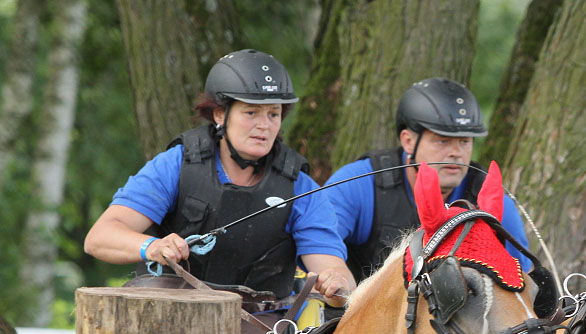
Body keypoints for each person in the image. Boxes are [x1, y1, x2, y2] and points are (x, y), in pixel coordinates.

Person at [84, 49, 355, 305]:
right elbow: (100, 238)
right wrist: (152, 247)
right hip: (168, 318)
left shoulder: (301, 186)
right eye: (251, 113)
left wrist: (336, 282)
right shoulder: (175, 165)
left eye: (274, 114)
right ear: (220, 114)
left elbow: (333, 270)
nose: (265, 125)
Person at [323, 77, 532, 282]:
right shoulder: (358, 183)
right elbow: (317, 247)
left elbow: (522, 275)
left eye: (464, 141)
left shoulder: (488, 196)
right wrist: (336, 277)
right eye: (442, 141)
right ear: (408, 141)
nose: (456, 153)